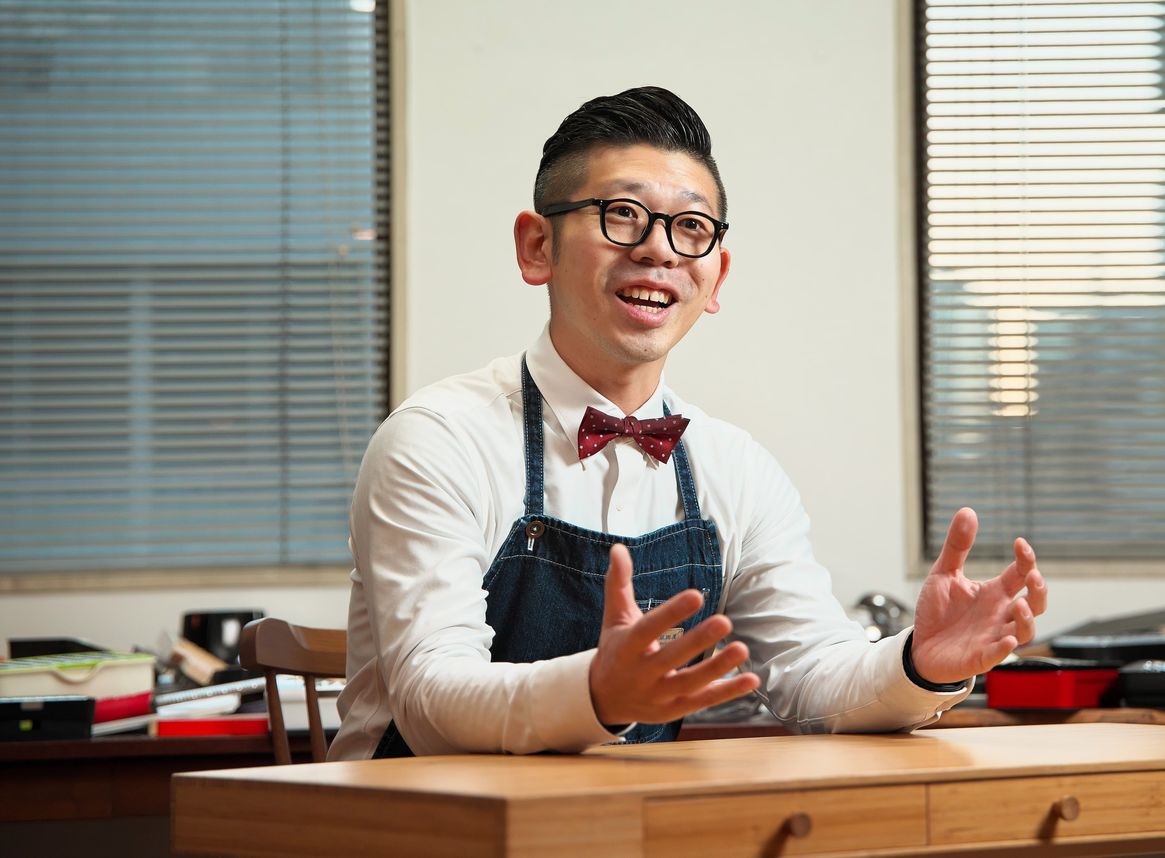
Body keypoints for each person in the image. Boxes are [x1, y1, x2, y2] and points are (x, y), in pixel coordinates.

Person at [327, 86, 1048, 759]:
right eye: (622, 215)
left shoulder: (733, 468)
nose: (660, 249)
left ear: (715, 279)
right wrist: (593, 694)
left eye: (691, 227)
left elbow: (810, 674)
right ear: (536, 247)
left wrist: (920, 662)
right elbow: (432, 698)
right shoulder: (437, 440)